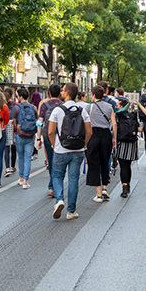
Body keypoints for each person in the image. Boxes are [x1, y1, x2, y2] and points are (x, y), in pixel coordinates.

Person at [48, 82, 92, 220]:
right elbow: (89, 132)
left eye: (63, 90)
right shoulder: (82, 110)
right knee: (73, 179)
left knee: (57, 176)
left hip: (61, 149)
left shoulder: (57, 110)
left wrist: (54, 145)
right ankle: (71, 211)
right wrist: (83, 144)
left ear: (67, 93)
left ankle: (59, 199)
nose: (61, 92)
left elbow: (50, 132)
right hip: (78, 150)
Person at [86, 85, 116, 203]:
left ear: (93, 95)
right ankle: (105, 187)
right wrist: (114, 138)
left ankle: (98, 194)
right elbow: (114, 124)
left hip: (93, 135)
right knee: (105, 161)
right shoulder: (109, 107)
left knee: (93, 163)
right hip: (106, 135)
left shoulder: (89, 107)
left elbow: (85, 123)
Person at [38, 84, 63, 197]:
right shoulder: (63, 105)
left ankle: (52, 186)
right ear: (60, 93)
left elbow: (40, 122)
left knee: (51, 161)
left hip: (48, 136)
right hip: (61, 137)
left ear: (49, 93)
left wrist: (38, 138)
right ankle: (56, 185)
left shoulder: (44, 105)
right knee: (59, 161)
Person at [114, 97, 139, 198]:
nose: (116, 107)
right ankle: (128, 185)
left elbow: (113, 127)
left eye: (118, 105)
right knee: (128, 165)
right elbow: (139, 127)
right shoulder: (133, 115)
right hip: (132, 143)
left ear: (121, 107)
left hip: (122, 142)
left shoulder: (118, 116)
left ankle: (124, 188)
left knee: (123, 166)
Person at [13, 87, 38, 189]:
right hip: (31, 135)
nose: (17, 97)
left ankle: (21, 178)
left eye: (17, 96)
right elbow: (37, 121)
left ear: (21, 96)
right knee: (28, 158)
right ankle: (25, 182)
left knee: (21, 157)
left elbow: (13, 123)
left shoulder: (16, 108)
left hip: (19, 135)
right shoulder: (34, 108)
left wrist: (16, 132)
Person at [3, 87, 18, 176]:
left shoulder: (3, 105)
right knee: (13, 148)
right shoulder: (15, 104)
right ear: (12, 95)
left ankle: (7, 168)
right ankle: (12, 167)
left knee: (6, 148)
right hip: (13, 126)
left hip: (5, 126)